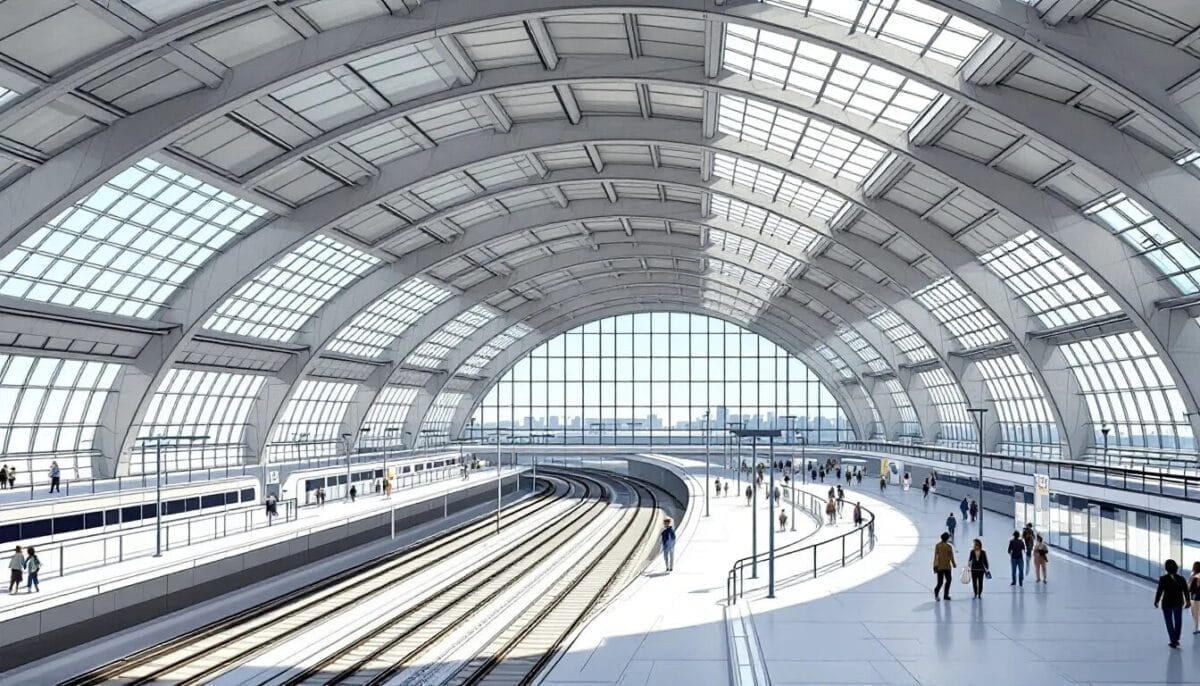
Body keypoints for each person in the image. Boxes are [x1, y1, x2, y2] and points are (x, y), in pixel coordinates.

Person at [1155, 559, 1191, 648]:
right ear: (1176, 568)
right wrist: (1188, 601)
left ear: (1166, 568)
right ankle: (1177, 637)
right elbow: (1186, 591)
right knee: (1178, 620)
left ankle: (1173, 640)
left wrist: (1156, 600)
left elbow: (1159, 591)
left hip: (1167, 603)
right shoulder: (1181, 579)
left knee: (1169, 621)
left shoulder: (1163, 579)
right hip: (1178, 602)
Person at [933, 532, 956, 601]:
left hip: (939, 567)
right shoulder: (949, 547)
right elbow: (951, 556)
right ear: (947, 539)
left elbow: (936, 556)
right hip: (947, 567)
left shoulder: (937, 545)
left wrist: (934, 565)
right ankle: (946, 595)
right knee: (948, 580)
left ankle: (936, 592)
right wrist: (954, 563)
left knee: (940, 582)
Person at [1190, 562, 1200, 635]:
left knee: (1195, 613)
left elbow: (1191, 588)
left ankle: (1196, 628)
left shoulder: (1195, 576)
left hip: (1196, 597)